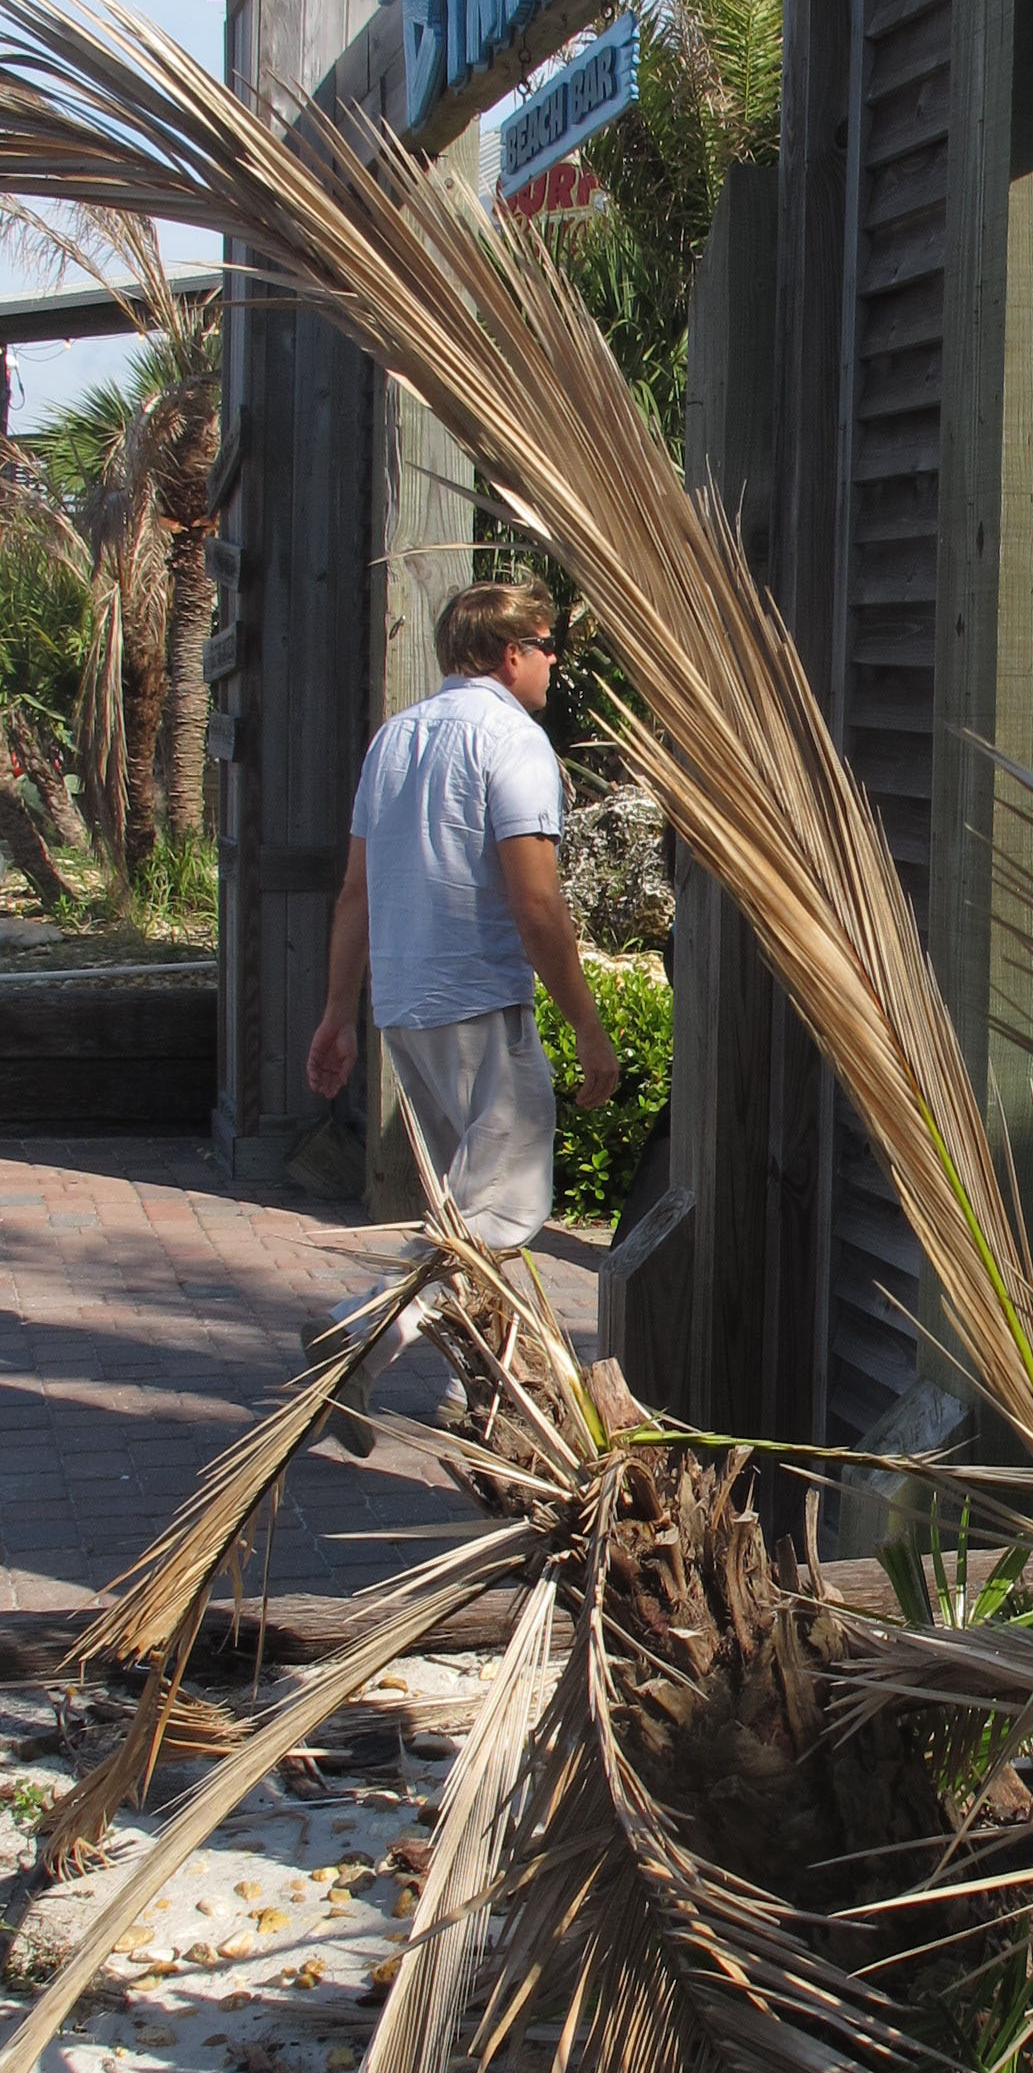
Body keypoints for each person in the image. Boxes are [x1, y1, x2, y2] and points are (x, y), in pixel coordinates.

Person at [301, 576, 621, 1447]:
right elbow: (537, 906)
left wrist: (337, 1015)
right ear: (511, 652)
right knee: (500, 1217)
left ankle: (467, 1394)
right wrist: (588, 1027)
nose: (556, 664)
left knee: (465, 1214)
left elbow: (354, 895)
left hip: (406, 1006)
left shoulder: (394, 740)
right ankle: (358, 1334)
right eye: (550, 647)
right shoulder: (513, 743)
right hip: (481, 1001)